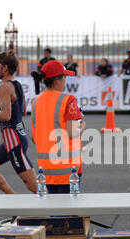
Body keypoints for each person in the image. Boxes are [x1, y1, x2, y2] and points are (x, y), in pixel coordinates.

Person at [0, 51, 37, 196]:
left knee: (32, 185)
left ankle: (58, 212)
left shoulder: (4, 87)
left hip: (14, 141)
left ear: (4, 68)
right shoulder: (17, 85)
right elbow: (21, 112)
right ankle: (14, 202)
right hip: (15, 138)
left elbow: (6, 116)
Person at [30, 60, 85, 194]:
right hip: (69, 169)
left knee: (55, 211)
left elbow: (35, 137)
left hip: (46, 170)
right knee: (70, 212)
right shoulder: (68, 99)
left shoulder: (35, 102)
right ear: (57, 80)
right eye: (64, 77)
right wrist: (82, 127)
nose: (65, 81)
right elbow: (72, 133)